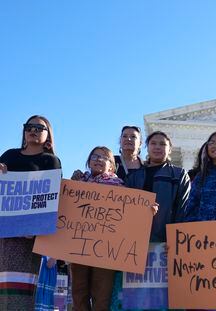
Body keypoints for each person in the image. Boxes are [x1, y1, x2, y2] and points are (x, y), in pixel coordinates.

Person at [111, 131, 191, 310]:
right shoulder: (135, 176)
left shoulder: (179, 175)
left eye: (162, 144)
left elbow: (182, 209)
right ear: (147, 147)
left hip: (163, 243)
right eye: (153, 143)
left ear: (169, 149)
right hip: (135, 243)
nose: (157, 147)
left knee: (163, 296)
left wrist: (176, 238)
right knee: (132, 295)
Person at [0, 115, 61, 311]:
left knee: (22, 290)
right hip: (4, 235)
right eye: (29, 126)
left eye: (39, 128)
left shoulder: (51, 161)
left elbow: (54, 199)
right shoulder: (8, 156)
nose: (33, 130)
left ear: (48, 135)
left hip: (31, 238)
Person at [70, 146, 124, 311]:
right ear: (88, 161)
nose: (99, 159)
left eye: (104, 158)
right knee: (78, 293)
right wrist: (72, 184)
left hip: (105, 250)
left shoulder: (120, 188)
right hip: (78, 246)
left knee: (102, 295)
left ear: (111, 166)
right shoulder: (78, 183)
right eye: (95, 156)